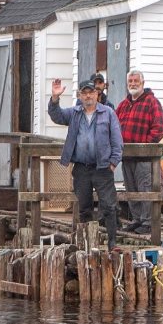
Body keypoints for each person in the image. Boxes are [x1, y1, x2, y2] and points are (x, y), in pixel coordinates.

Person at [47, 75, 124, 248]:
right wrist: (55, 97)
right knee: (84, 207)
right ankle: (88, 244)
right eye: (84, 93)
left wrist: (113, 163)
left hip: (103, 167)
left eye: (91, 92)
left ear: (97, 94)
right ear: (79, 95)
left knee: (109, 206)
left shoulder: (108, 113)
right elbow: (56, 116)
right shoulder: (73, 113)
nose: (88, 96)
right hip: (81, 168)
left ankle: (113, 243)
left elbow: (117, 141)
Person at [116, 70, 163, 237]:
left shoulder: (152, 102)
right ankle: (137, 220)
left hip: (145, 156)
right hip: (127, 155)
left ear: (142, 83)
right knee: (131, 189)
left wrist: (145, 145)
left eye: (136, 80)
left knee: (145, 188)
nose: (132, 83)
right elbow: (114, 126)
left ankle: (147, 222)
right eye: (130, 80)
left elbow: (159, 128)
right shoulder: (123, 104)